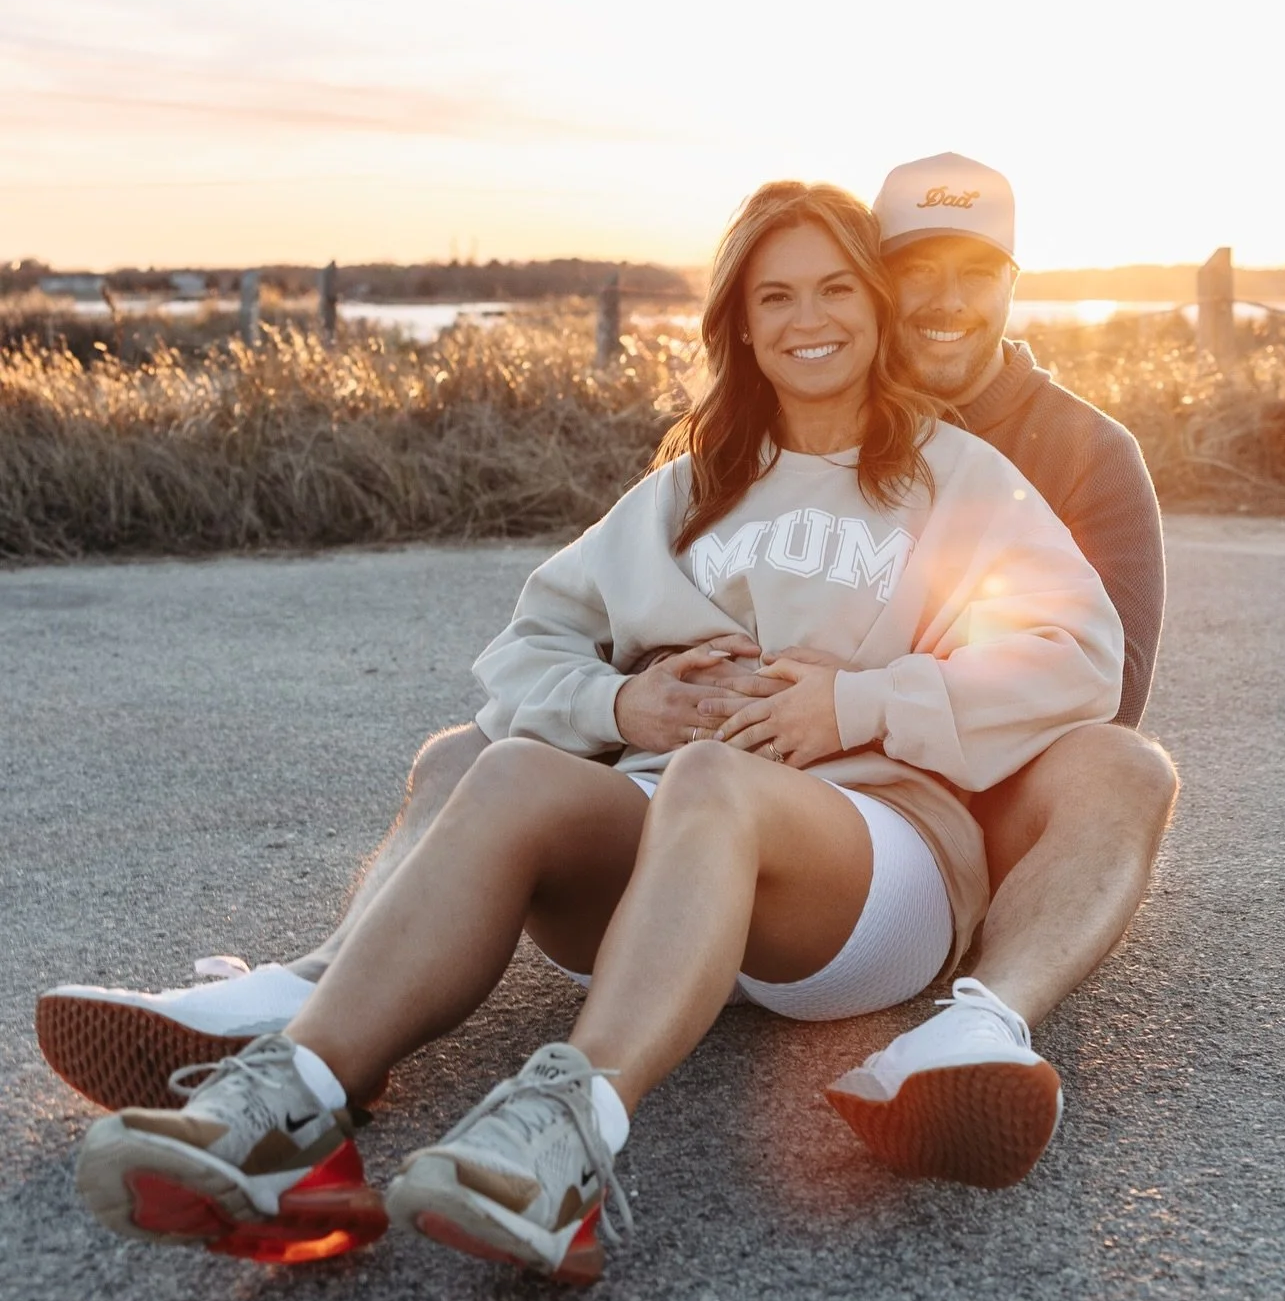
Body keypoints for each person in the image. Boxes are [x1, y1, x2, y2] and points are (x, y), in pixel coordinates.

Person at [38, 150, 1177, 1186]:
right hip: (673, 821)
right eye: (777, 297)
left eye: (838, 289)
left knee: (723, 780)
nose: (814, 318)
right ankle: (294, 1088)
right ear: (741, 325)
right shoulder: (691, 485)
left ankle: (575, 1126)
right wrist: (628, 700)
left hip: (871, 839)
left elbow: (1089, 665)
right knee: (502, 766)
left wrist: (855, 702)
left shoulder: (975, 472)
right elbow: (529, 645)